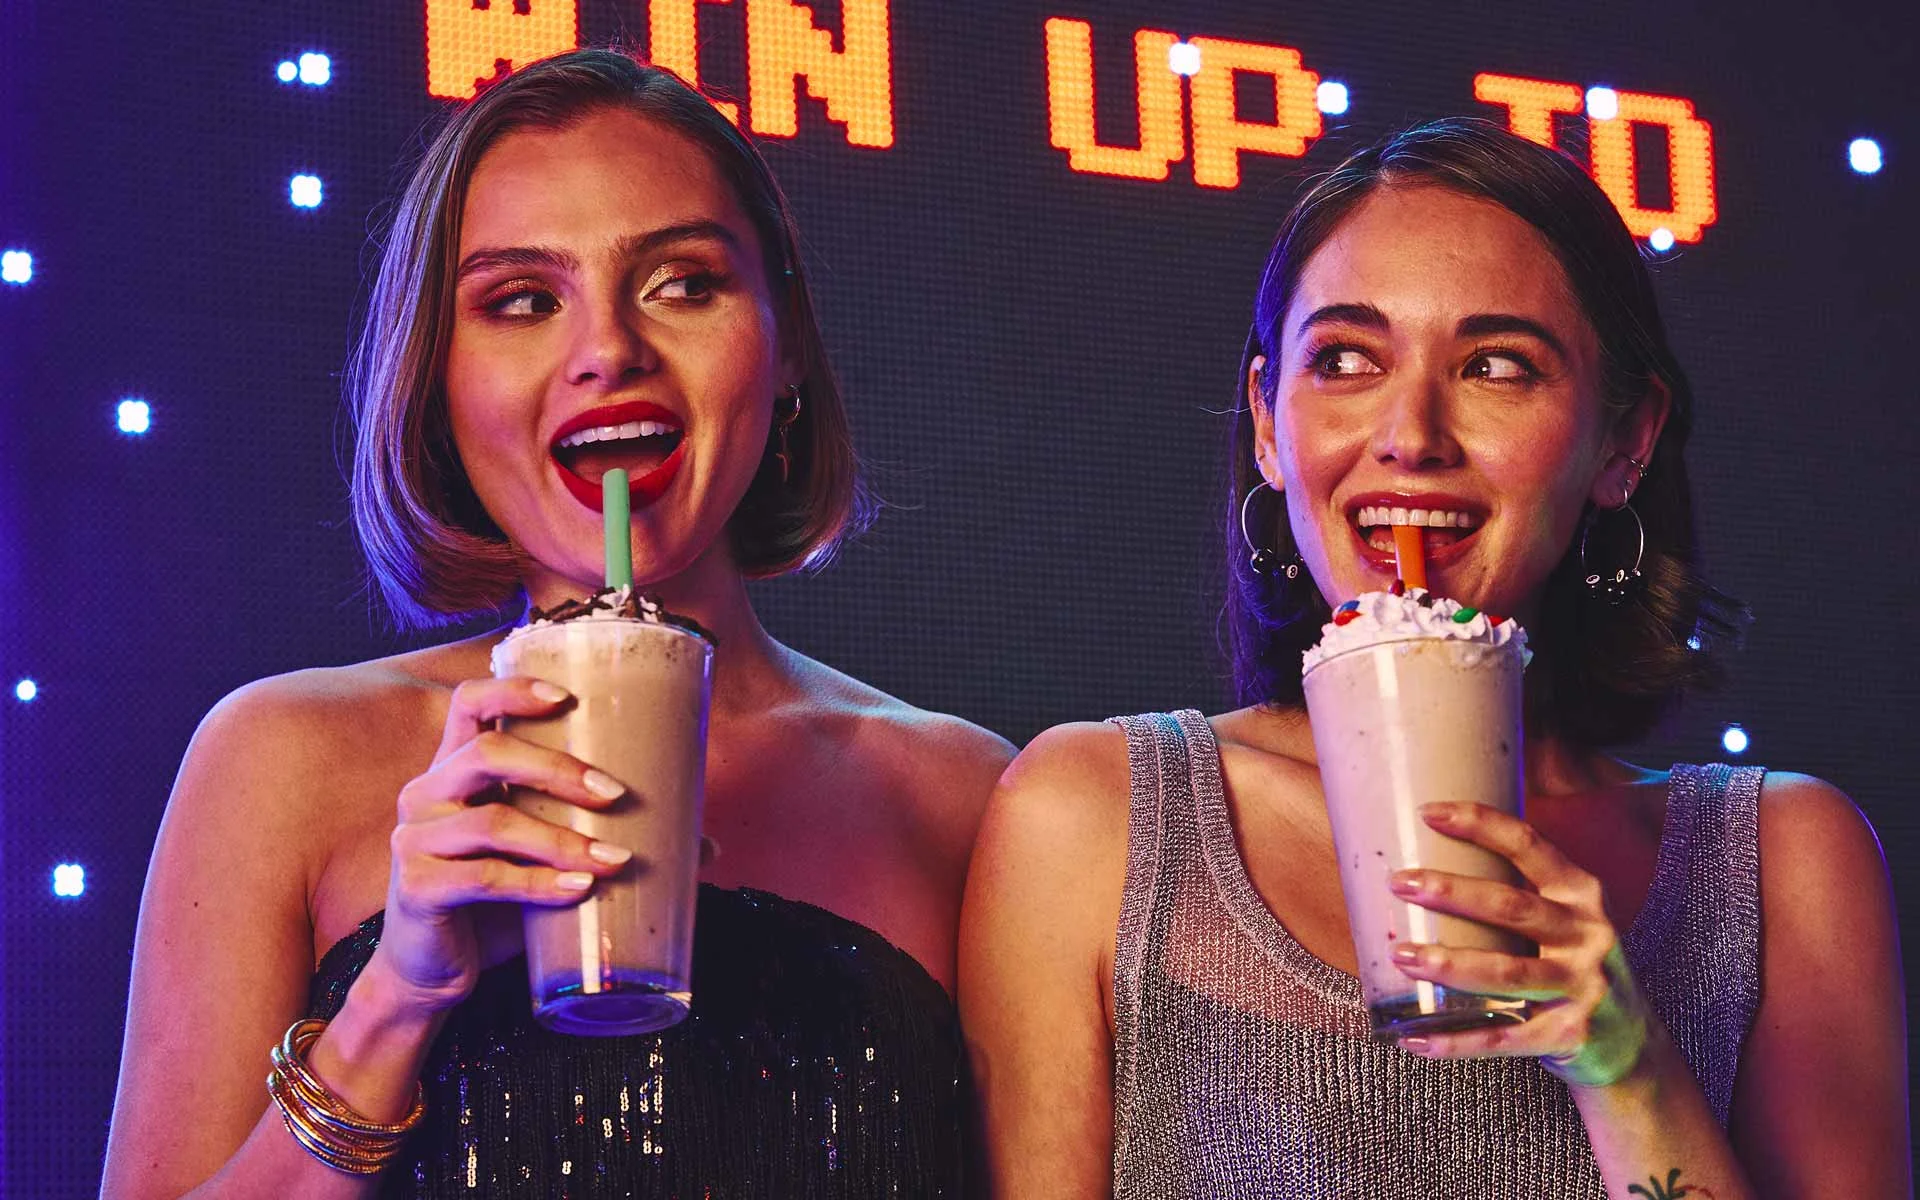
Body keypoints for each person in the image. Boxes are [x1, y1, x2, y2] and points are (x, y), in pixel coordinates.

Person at [100, 49, 1011, 1199]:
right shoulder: (279, 759)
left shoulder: (971, 801)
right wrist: (400, 993)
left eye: (683, 283)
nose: (607, 353)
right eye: (522, 300)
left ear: (784, 347)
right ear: (440, 379)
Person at [960, 118, 1909, 1198]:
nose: (1412, 433)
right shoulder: (1095, 814)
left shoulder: (1781, 863)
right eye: (1348, 359)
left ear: (1624, 441)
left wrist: (1625, 1063)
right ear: (1270, 423)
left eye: (1497, 366)